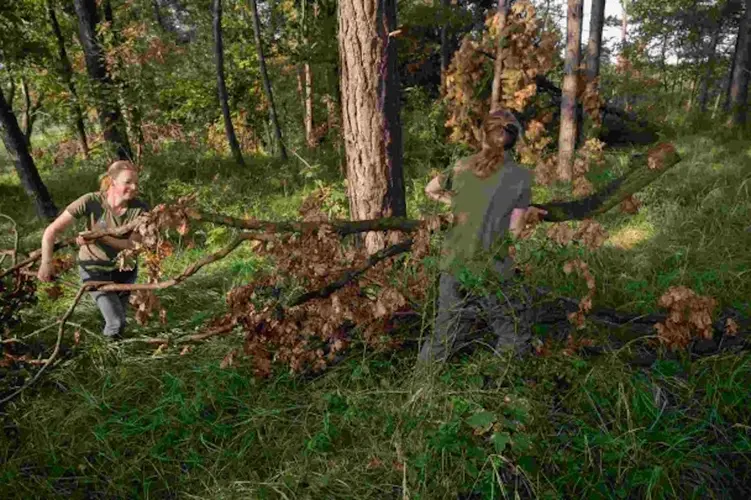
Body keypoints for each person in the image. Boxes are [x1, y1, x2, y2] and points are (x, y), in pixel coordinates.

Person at [418, 109, 545, 363]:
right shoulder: (521, 177)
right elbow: (514, 233)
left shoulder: (461, 166)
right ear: (515, 140)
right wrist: (526, 213)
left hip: (453, 263)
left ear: (483, 136)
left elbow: (430, 189)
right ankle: (497, 389)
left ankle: (421, 386)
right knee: (514, 333)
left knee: (443, 335)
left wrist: (456, 203)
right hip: (491, 267)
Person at [37, 160, 149, 340]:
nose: (134, 187)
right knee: (116, 322)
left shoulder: (140, 209)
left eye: (136, 182)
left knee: (119, 320)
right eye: (128, 182)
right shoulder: (91, 201)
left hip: (125, 271)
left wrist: (100, 236)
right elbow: (51, 231)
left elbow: (133, 245)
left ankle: (113, 353)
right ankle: (108, 359)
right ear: (112, 181)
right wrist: (46, 263)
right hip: (94, 269)